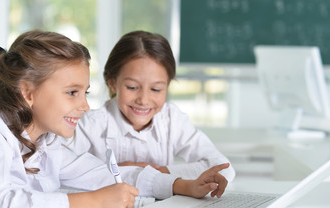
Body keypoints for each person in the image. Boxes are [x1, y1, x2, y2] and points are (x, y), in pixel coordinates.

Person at [0, 30, 140, 208]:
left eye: (85, 93)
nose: (86, 106)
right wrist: (95, 201)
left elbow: (100, 174)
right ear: (28, 93)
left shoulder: (46, 140)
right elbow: (1, 206)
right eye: (72, 92)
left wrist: (176, 184)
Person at [63, 30, 235, 181]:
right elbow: (60, 171)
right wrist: (136, 173)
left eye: (156, 89)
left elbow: (223, 168)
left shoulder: (171, 120)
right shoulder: (91, 124)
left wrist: (157, 171)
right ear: (113, 83)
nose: (144, 100)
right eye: (132, 87)